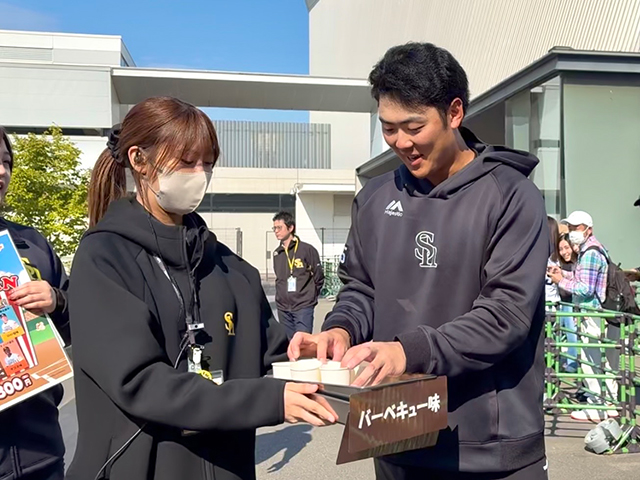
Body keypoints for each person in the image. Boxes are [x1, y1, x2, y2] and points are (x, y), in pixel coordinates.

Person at [289, 43, 549, 479]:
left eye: (414, 126)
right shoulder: (375, 198)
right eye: (388, 128)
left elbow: (506, 315)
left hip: (489, 447)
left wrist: (409, 351)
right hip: (396, 434)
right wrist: (340, 330)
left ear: (454, 112)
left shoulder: (511, 196)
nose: (402, 142)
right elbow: (361, 289)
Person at [66, 97, 337, 480]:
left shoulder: (231, 269)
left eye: (207, 163)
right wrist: (268, 401)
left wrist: (312, 356)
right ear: (139, 160)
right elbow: (139, 381)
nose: (200, 174)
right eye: (187, 161)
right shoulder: (104, 259)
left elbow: (272, 354)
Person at [0, 127, 70, 480]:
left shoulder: (30, 243)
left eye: (6, 162)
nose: (2, 171)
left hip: (40, 455)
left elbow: (79, 327)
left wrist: (58, 301)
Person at [548, 210, 618, 420]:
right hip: (599, 313)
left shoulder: (589, 253)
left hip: (591, 314)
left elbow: (585, 289)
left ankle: (596, 405)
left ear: (588, 229)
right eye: (570, 227)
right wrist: (563, 274)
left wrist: (561, 281)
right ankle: (609, 402)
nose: (571, 231)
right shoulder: (596, 249)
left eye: (575, 227)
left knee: (590, 361)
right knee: (603, 361)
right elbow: (584, 279)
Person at [272, 211, 324, 339]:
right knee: (288, 345)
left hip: (303, 307)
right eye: (274, 228)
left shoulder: (306, 250)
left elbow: (318, 276)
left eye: (279, 228)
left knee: (303, 343)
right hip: (283, 308)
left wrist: (310, 296)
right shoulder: (277, 253)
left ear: (290, 228)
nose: (276, 231)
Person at [557, 233, 578, 373]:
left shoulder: (579, 264)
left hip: (573, 303)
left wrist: (560, 279)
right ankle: (571, 363)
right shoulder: (564, 264)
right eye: (561, 249)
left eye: (566, 247)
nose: (564, 252)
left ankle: (573, 365)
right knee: (568, 335)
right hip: (564, 303)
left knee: (573, 336)